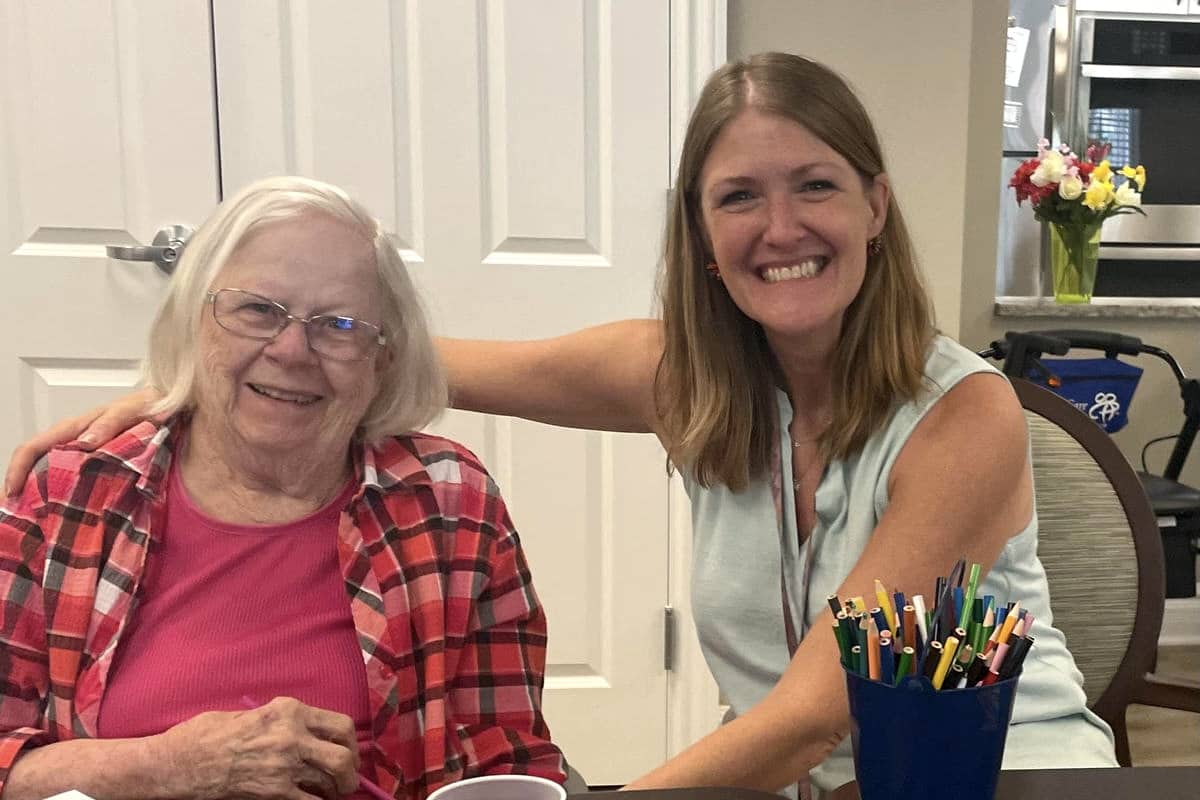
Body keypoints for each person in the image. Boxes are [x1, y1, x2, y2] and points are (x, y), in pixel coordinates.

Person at [5, 54, 1116, 796]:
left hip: (1001, 777)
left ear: (875, 204)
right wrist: (189, 385)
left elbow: (812, 719)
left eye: (814, 186)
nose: (780, 227)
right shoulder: (688, 377)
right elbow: (395, 364)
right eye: (738, 195)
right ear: (699, 226)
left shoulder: (963, 413)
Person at [0, 176, 564, 800]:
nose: (293, 350)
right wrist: (168, 766)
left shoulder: (449, 501)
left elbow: (507, 752)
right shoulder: (71, 494)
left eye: (339, 324)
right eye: (257, 310)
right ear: (195, 320)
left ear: (382, 357)